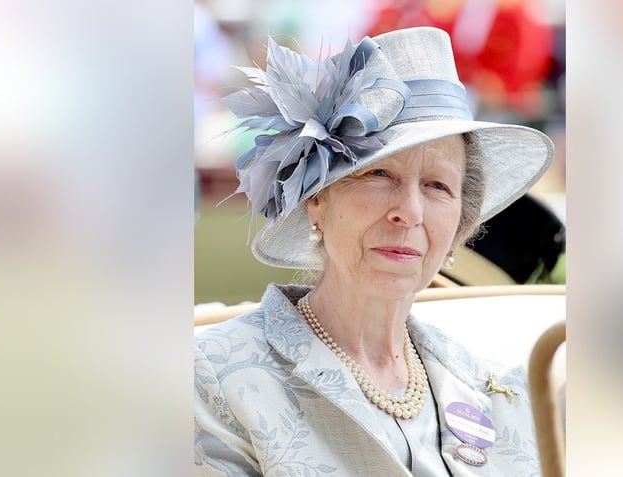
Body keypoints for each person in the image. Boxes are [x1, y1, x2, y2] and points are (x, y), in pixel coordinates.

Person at [194, 26, 554, 476]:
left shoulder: (499, 384)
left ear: (461, 225)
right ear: (317, 201)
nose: (410, 211)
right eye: (379, 175)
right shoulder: (210, 375)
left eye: (437, 186)